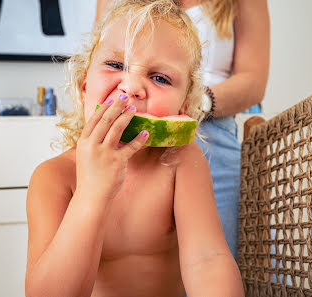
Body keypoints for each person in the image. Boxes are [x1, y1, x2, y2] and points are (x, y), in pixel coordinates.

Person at [25, 0, 243, 296]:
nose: (131, 86)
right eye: (116, 65)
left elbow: (208, 260)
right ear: (84, 85)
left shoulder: (181, 161)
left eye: (159, 77)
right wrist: (92, 192)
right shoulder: (54, 178)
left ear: (184, 107)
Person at [96, 0, 270, 260]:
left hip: (213, 134)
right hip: (122, 131)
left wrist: (194, 104)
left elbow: (254, 81)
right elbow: (97, 55)